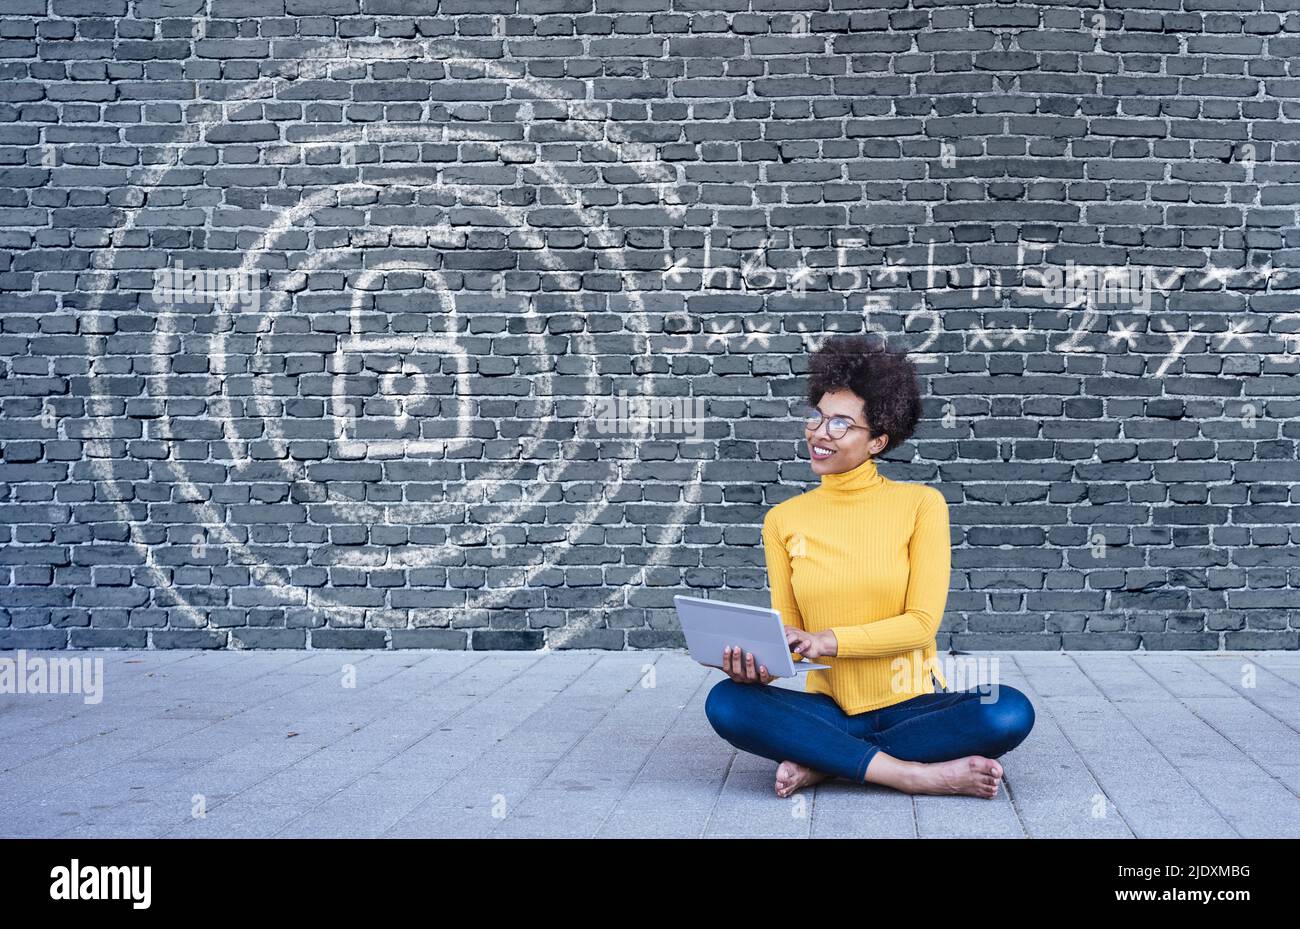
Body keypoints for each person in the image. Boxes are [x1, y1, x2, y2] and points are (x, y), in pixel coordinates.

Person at [703, 334, 1035, 799]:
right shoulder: (783, 520)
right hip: (830, 706)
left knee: (1007, 711)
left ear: (878, 440)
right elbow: (793, 640)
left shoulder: (921, 505)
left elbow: (921, 625)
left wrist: (829, 640)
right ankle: (910, 774)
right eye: (817, 416)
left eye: (841, 424)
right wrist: (759, 666)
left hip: (914, 704)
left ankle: (827, 760)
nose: (820, 432)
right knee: (727, 702)